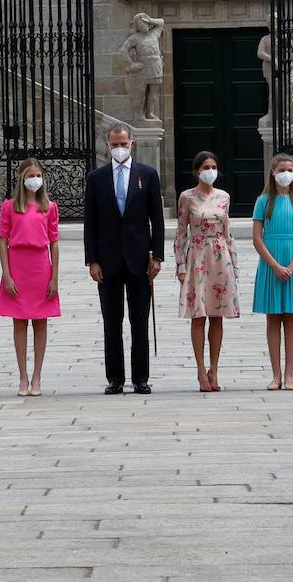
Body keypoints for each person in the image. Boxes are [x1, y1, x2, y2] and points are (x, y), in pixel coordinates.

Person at [83, 123, 164, 395]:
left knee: (139, 320)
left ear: (132, 143)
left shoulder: (147, 175)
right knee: (112, 321)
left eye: (123, 143)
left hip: (139, 258)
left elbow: (157, 218)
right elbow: (90, 223)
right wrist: (92, 260)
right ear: (108, 145)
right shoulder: (96, 178)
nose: (119, 148)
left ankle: (140, 377)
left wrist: (157, 256)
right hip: (108, 260)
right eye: (114, 144)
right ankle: (115, 378)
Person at [175, 151, 240, 393]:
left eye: (213, 166)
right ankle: (201, 370)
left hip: (220, 256)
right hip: (198, 256)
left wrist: (234, 262)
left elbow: (227, 230)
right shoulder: (187, 197)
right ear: (196, 171)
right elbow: (181, 232)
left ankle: (215, 367)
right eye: (205, 166)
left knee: (217, 314)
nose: (210, 170)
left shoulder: (224, 196)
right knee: (198, 315)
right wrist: (180, 265)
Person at [0, 159, 60, 397]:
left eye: (38, 175)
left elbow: (54, 242)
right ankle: (22, 376)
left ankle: (37, 376)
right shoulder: (10, 207)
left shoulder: (49, 207)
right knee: (19, 321)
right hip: (18, 265)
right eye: (30, 175)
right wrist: (7, 275)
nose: (35, 179)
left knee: (41, 321)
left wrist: (54, 277)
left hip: (41, 266)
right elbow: (3, 240)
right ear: (22, 178)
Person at [251, 153, 293, 391]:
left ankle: (289, 375)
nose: (286, 174)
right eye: (282, 170)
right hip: (271, 262)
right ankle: (275, 375)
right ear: (273, 173)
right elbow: (257, 238)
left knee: (291, 318)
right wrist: (275, 265)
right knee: (273, 319)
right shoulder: (263, 201)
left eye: (290, 170)